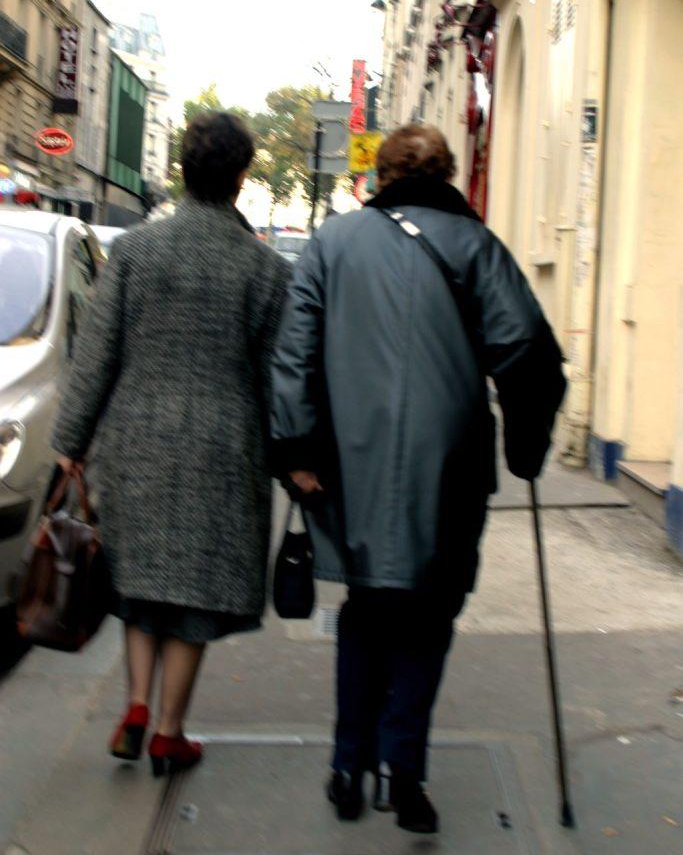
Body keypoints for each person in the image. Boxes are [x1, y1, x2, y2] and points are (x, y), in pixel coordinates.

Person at [270, 124, 566, 834]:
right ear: (449, 174)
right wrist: (526, 447)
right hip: (450, 465)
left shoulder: (333, 243)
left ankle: (348, 765)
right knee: (427, 616)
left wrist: (295, 449)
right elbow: (527, 353)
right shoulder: (477, 247)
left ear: (381, 176)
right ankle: (404, 769)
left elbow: (293, 354)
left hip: (348, 461)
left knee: (367, 610)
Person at [53, 111, 290, 776]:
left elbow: (96, 357)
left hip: (135, 442)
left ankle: (133, 706)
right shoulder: (264, 269)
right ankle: (168, 730)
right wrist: (293, 461)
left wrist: (70, 442)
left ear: (183, 172)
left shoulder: (132, 252)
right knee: (192, 595)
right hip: (222, 446)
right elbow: (277, 378)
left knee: (139, 583)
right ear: (241, 180)